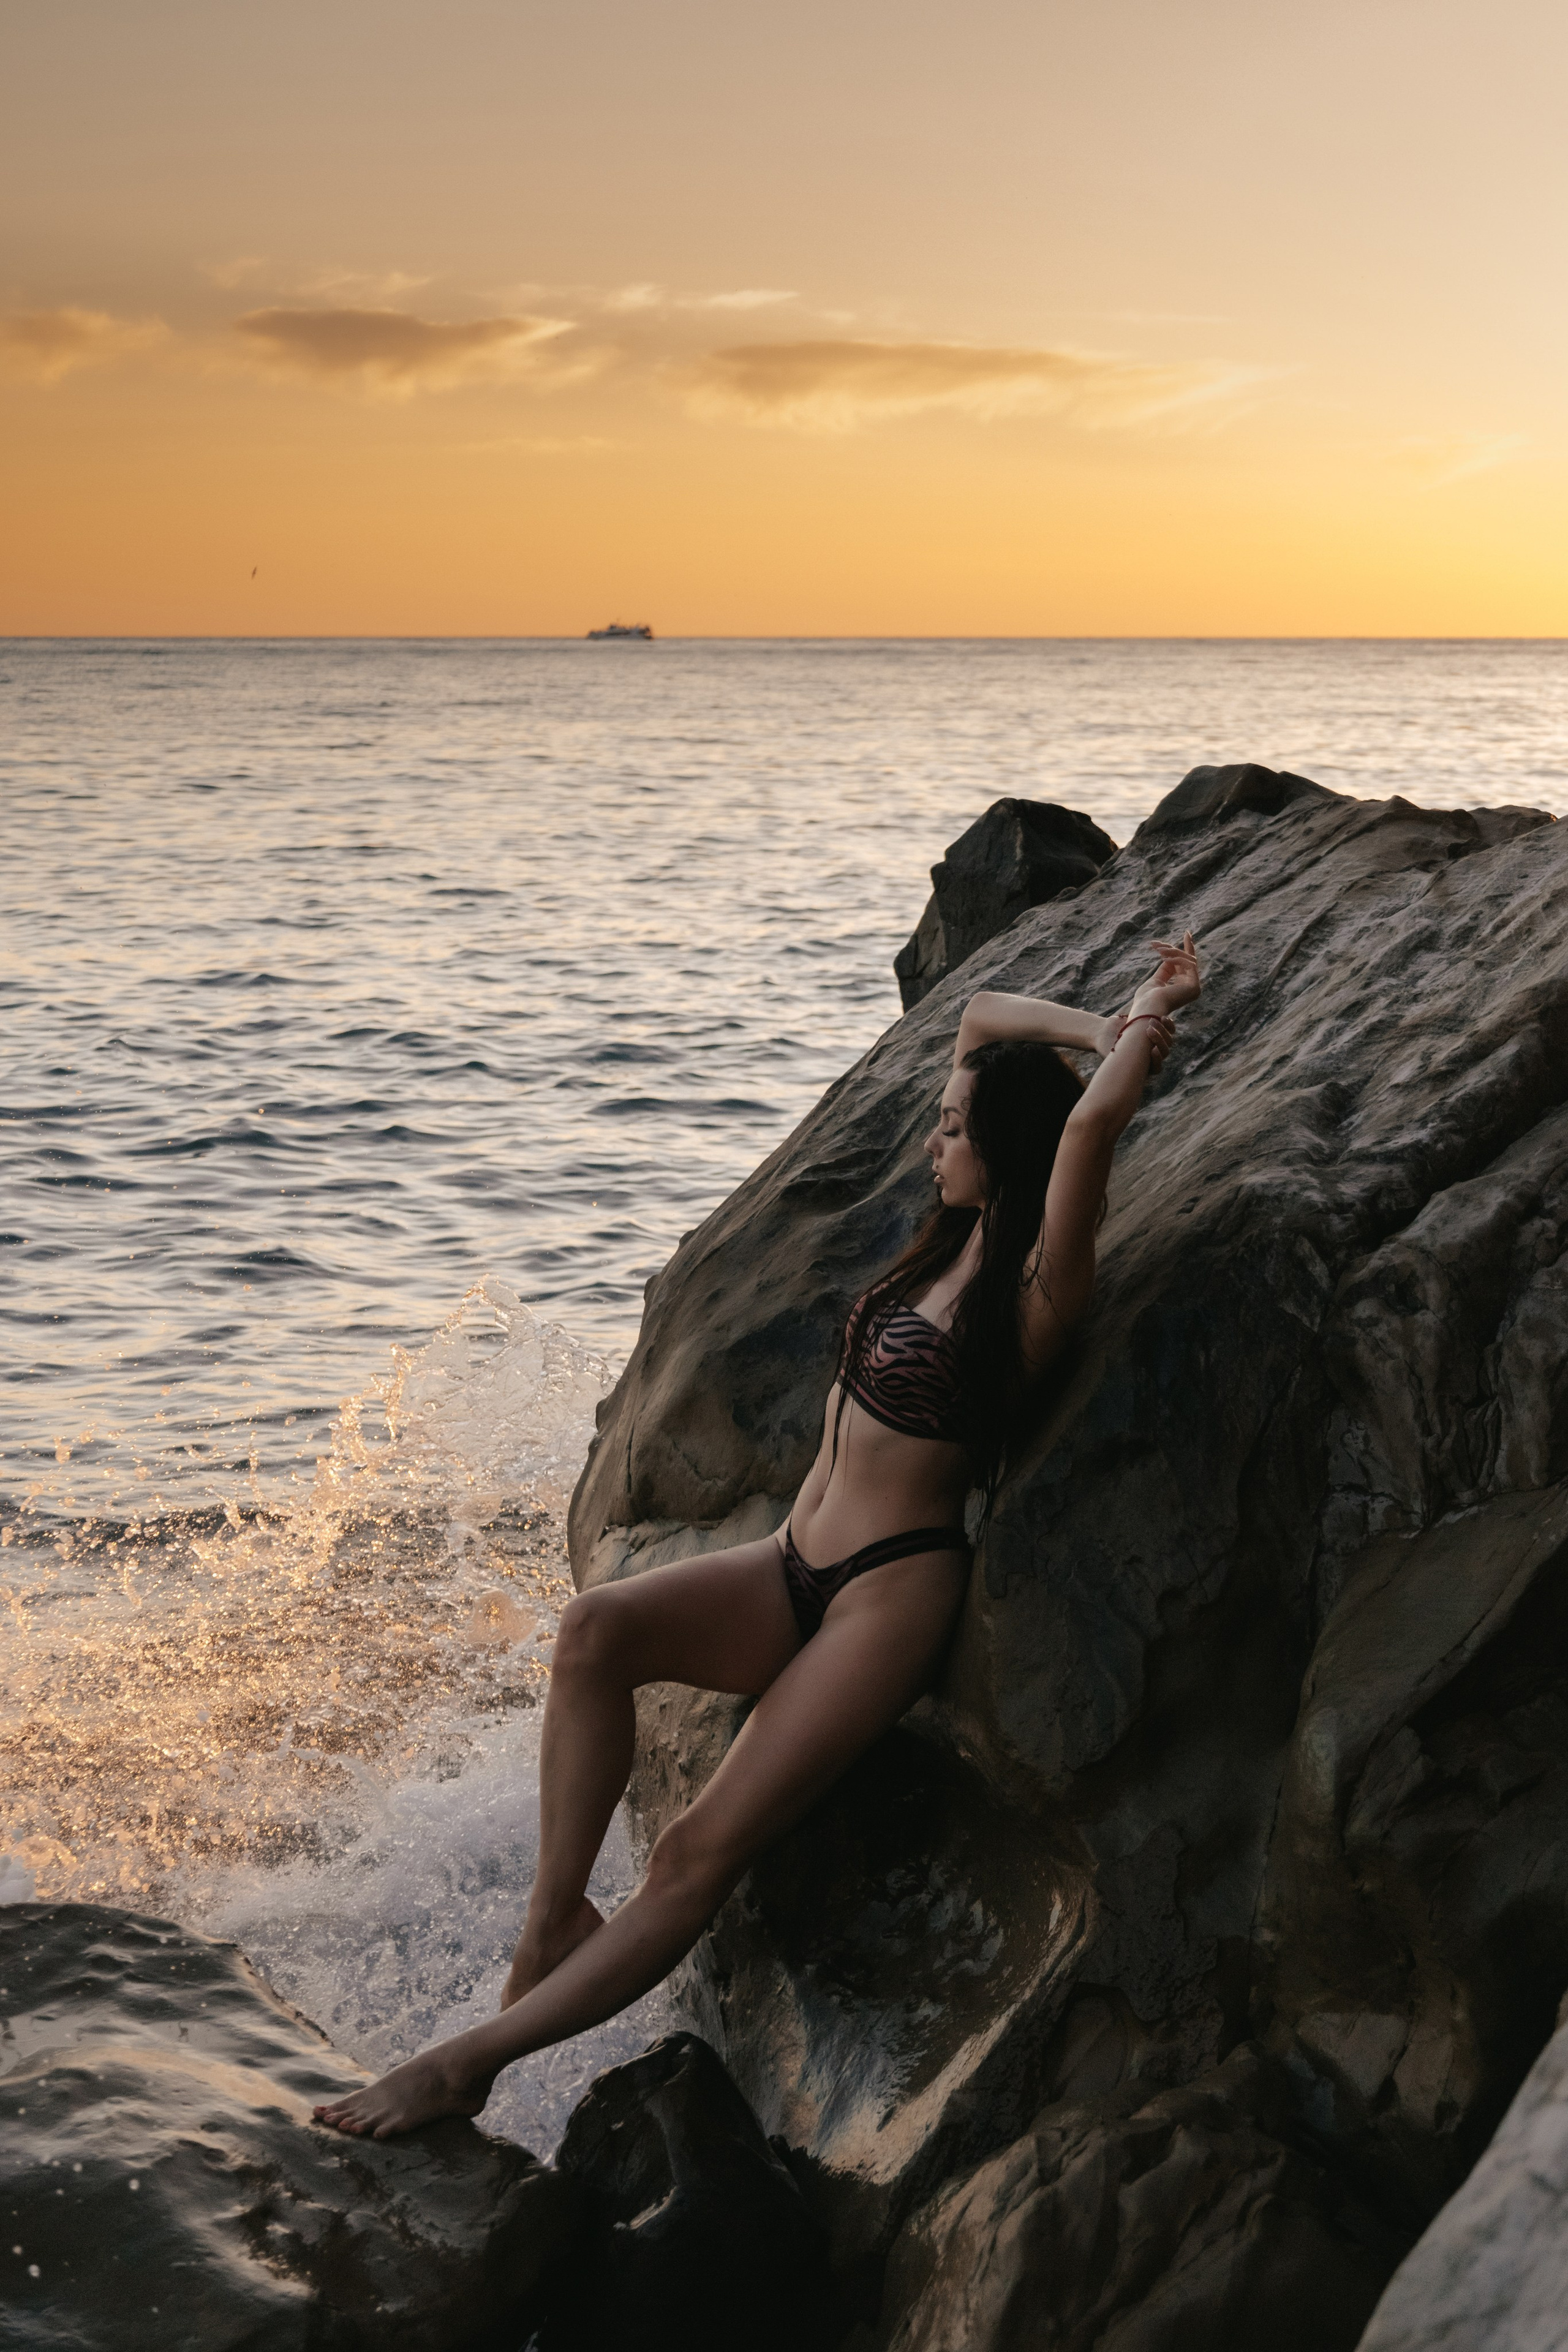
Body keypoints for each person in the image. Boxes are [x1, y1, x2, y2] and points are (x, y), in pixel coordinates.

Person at [314, 931, 1201, 2138]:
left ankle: (464, 2065)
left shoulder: (1043, 1281)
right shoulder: (949, 1244)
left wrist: (1144, 1018)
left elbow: (1090, 1127)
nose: (934, 1142)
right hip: (791, 1565)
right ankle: (553, 1920)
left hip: (885, 1598)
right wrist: (1092, 1025)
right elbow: (982, 1015)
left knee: (693, 1853)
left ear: (1004, 1152)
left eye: (953, 1130)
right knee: (594, 1632)